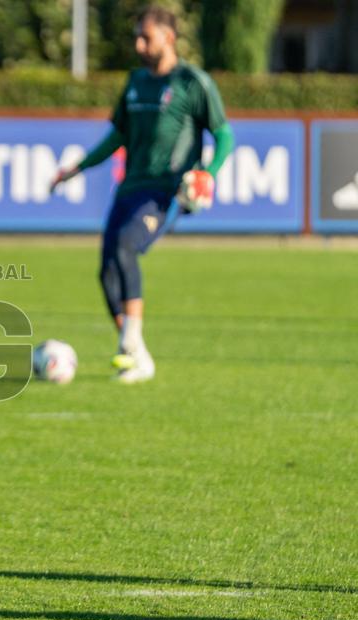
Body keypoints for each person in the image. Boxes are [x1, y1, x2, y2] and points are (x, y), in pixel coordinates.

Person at [50, 6, 234, 383]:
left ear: (168, 37)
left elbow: (225, 134)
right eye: (137, 36)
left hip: (166, 192)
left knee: (125, 247)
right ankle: (138, 354)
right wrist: (77, 168)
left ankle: (129, 341)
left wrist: (207, 174)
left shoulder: (192, 82)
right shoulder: (135, 81)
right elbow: (118, 136)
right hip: (129, 188)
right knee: (106, 273)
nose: (138, 44)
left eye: (145, 37)